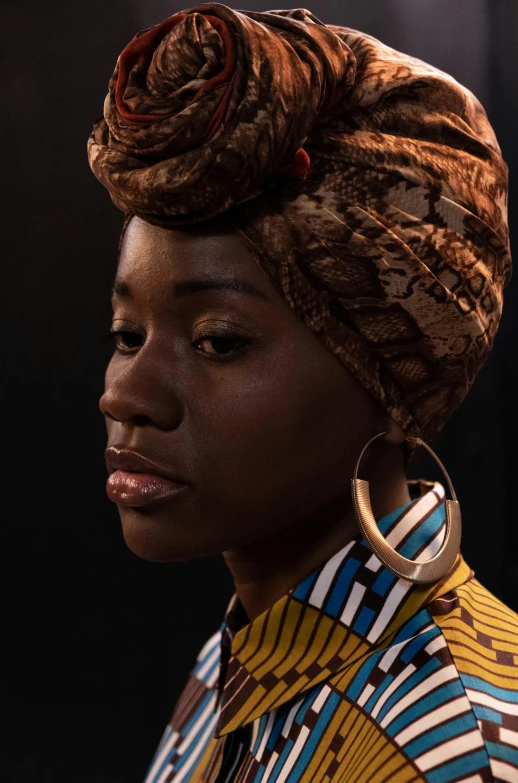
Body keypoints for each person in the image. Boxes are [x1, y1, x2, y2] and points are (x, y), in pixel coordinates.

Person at [88, 4, 518, 782]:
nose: (126, 393)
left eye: (218, 340)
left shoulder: (447, 749)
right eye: (126, 334)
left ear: (392, 377)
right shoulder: (246, 656)